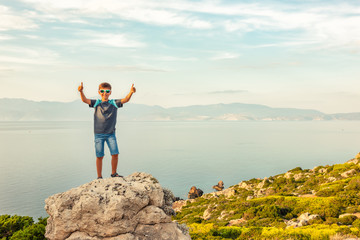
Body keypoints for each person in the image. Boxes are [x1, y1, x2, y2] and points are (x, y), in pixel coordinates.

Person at [78, 82, 136, 179]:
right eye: (102, 91)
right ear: (99, 92)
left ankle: (114, 173)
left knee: (115, 153)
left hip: (110, 134)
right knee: (99, 156)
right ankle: (99, 177)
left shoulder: (113, 103)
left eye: (107, 91)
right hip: (98, 134)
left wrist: (131, 92)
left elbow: (125, 100)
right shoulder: (97, 103)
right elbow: (84, 100)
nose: (105, 93)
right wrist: (81, 91)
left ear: (110, 92)